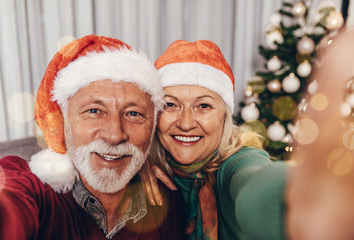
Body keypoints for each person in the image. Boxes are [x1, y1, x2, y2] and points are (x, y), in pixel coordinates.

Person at [141, 31, 354, 240]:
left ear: (225, 117)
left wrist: (296, 200)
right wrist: (137, 167)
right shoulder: (145, 166)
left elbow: (254, 179)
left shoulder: (235, 164)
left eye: (203, 105)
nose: (185, 123)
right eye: (170, 104)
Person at [0, 35, 186, 240]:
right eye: (94, 111)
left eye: (133, 114)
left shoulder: (167, 201)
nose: (114, 135)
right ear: (64, 120)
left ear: (153, 126)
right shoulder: (32, 190)